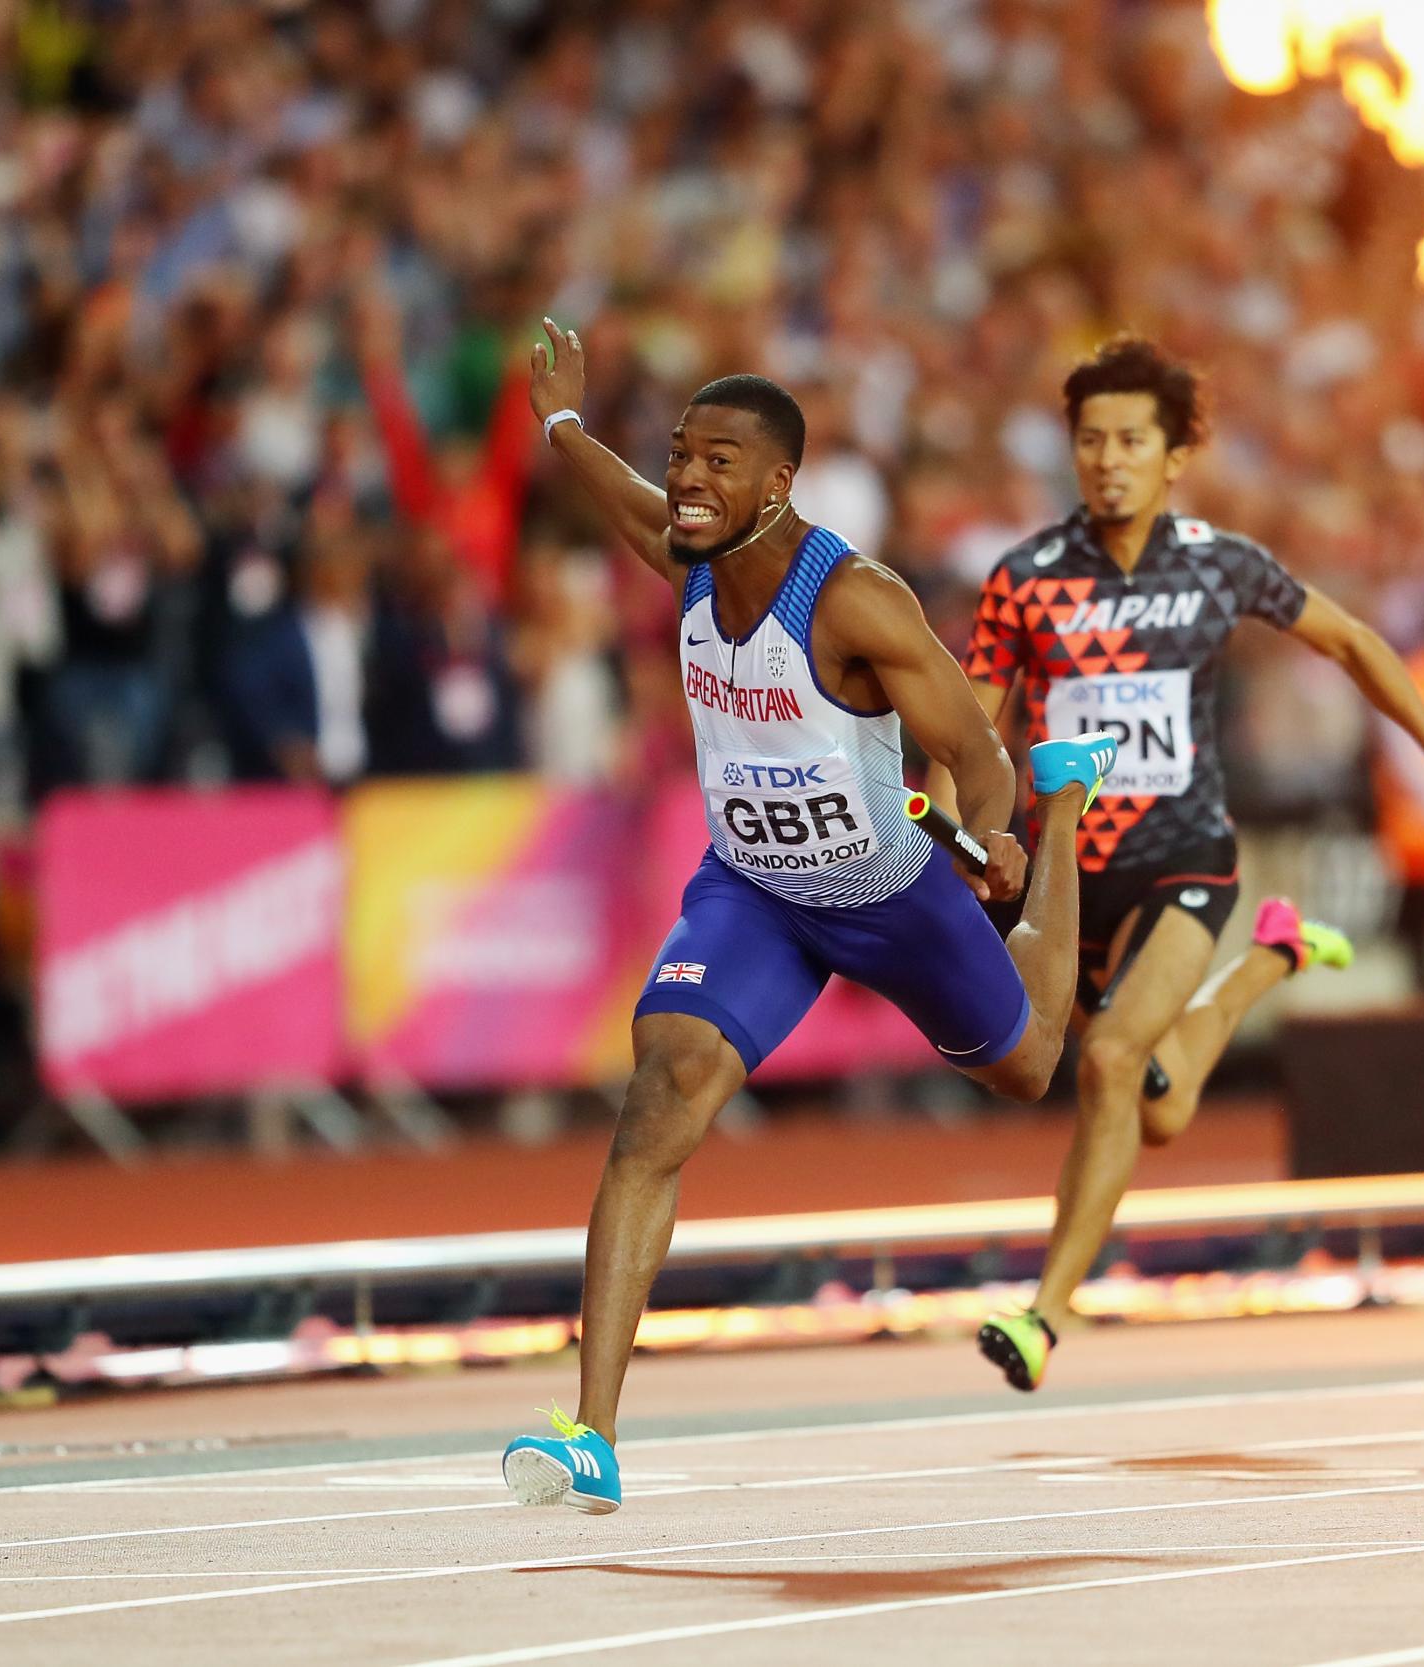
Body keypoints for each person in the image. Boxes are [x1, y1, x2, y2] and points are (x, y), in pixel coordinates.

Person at [500, 320, 1114, 1513]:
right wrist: (563, 423)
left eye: (719, 461)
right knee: (659, 1094)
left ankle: (1073, 798)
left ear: (778, 484)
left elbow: (973, 755)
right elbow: (618, 493)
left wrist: (1001, 826)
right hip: (756, 896)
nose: (686, 477)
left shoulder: (856, 600)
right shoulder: (681, 553)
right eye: (683, 453)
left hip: (891, 894)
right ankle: (593, 1434)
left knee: (1032, 1063)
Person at [937, 337, 1424, 1391]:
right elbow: (972, 730)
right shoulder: (1023, 582)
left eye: (1130, 440)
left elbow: (1346, 641)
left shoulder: (1217, 562)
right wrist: (951, 816)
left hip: (1183, 858)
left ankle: (1045, 1312)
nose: (1107, 459)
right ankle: (1273, 959)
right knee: (1155, 1107)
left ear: (1172, 458)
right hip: (1072, 876)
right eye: (1089, 440)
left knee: (1113, 1062)